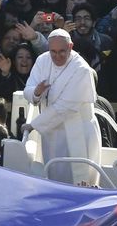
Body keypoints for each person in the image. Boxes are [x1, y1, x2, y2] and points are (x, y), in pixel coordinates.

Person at [22, 28, 101, 185]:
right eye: (53, 52)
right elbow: (28, 88)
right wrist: (36, 93)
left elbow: (64, 108)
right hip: (51, 131)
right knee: (53, 176)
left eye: (62, 51)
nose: (57, 56)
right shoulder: (43, 60)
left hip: (77, 130)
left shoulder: (81, 69)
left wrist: (33, 125)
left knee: (79, 181)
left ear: (70, 47)